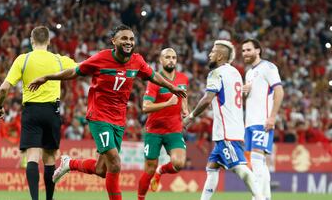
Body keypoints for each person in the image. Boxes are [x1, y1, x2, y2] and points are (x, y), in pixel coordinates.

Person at [28, 24, 186, 200]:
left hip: (118, 120)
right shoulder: (101, 58)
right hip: (99, 116)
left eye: (131, 39)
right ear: (114, 41)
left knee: (102, 169)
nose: (128, 42)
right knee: (115, 163)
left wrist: (172, 87)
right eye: (124, 38)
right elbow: (74, 71)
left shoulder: (137, 61)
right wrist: (47, 77)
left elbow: (153, 75)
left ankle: (69, 163)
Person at [0, 26, 77, 200]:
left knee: (32, 156)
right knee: (49, 159)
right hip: (52, 111)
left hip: (31, 111)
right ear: (48, 41)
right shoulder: (59, 60)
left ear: (32, 41)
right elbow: (82, 69)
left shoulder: (22, 60)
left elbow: (4, 88)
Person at [183, 40, 262, 200]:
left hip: (227, 132)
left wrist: (190, 117)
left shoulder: (216, 73)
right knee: (212, 168)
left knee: (240, 168)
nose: (209, 54)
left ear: (219, 56)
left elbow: (207, 99)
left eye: (212, 52)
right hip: (232, 129)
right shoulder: (235, 73)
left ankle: (260, 197)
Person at [138, 48, 189, 200]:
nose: (171, 60)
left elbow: (184, 95)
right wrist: (167, 103)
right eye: (167, 57)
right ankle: (140, 198)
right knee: (148, 170)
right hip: (154, 130)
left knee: (178, 163)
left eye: (174, 57)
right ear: (161, 60)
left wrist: (185, 109)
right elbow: (145, 107)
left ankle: (160, 171)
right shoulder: (155, 81)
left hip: (174, 129)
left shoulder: (183, 78)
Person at [242, 38, 284, 200]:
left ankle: (257, 198)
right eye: (243, 50)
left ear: (257, 50)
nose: (245, 53)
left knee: (257, 161)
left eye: (248, 49)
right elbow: (255, 98)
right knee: (258, 163)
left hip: (262, 121)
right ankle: (265, 197)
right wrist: (246, 92)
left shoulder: (268, 67)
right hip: (250, 123)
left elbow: (279, 91)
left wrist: (272, 117)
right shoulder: (249, 73)